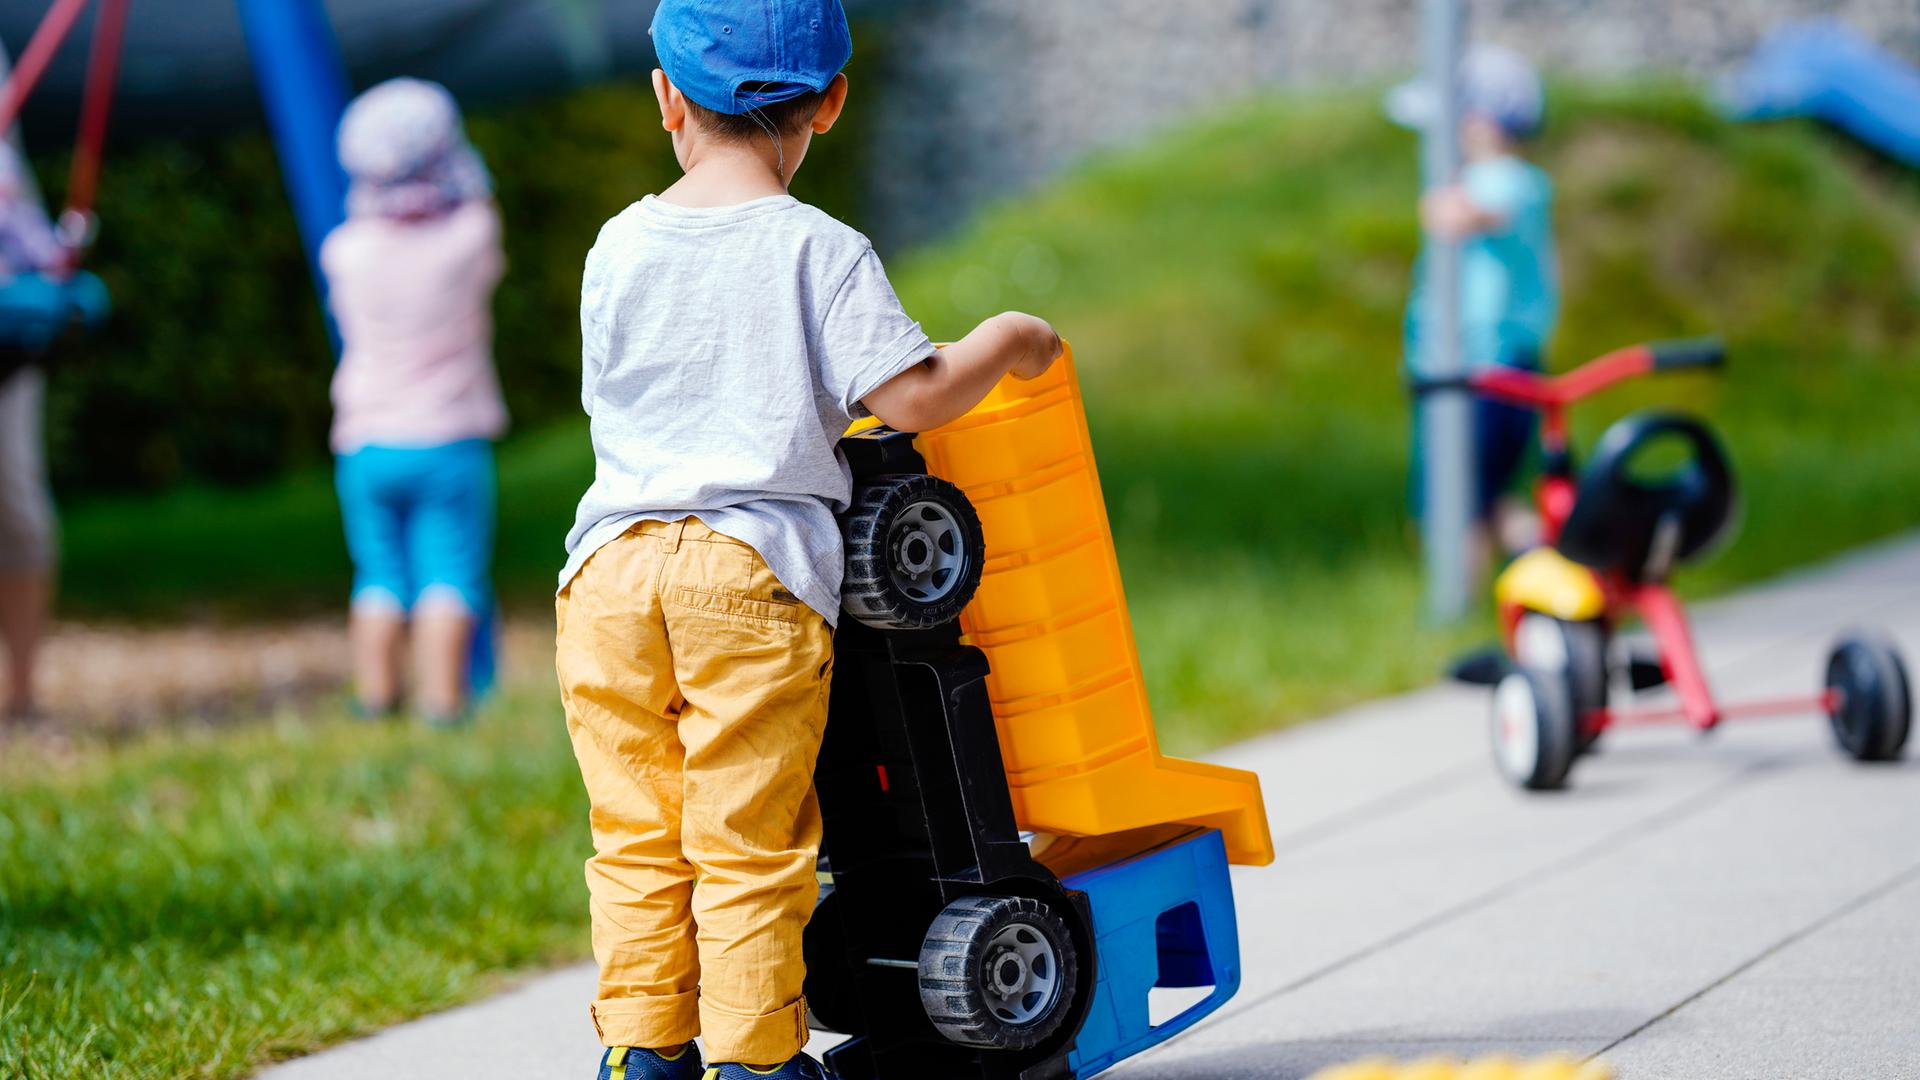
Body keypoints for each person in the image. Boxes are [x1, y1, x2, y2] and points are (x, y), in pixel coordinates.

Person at [554, 1, 1062, 1076]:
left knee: (638, 839)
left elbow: (643, 392)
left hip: (605, 571)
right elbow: (912, 395)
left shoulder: (617, 244)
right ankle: (757, 1061)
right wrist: (1004, 340)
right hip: (743, 571)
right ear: (831, 103)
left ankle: (644, 1052)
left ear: (666, 98)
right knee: (746, 843)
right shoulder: (818, 250)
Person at [323, 78, 507, 727]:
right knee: (449, 573)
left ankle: (374, 698)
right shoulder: (467, 240)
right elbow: (480, 203)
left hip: (366, 440)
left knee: (378, 573)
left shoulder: (346, 251)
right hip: (447, 437)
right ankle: (442, 703)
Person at [1391, 44, 1559, 567]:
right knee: (1488, 502)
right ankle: (1547, 572)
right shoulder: (1509, 181)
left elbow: (1477, 212)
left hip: (1480, 368)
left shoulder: (1507, 180)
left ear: (1479, 123)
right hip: (1483, 363)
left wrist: (1447, 206)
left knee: (1450, 506)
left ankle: (1458, 599)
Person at [0, 140, 108, 726]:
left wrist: (56, 263)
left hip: (6, 356)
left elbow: (22, 226)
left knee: (17, 511)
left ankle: (21, 697)